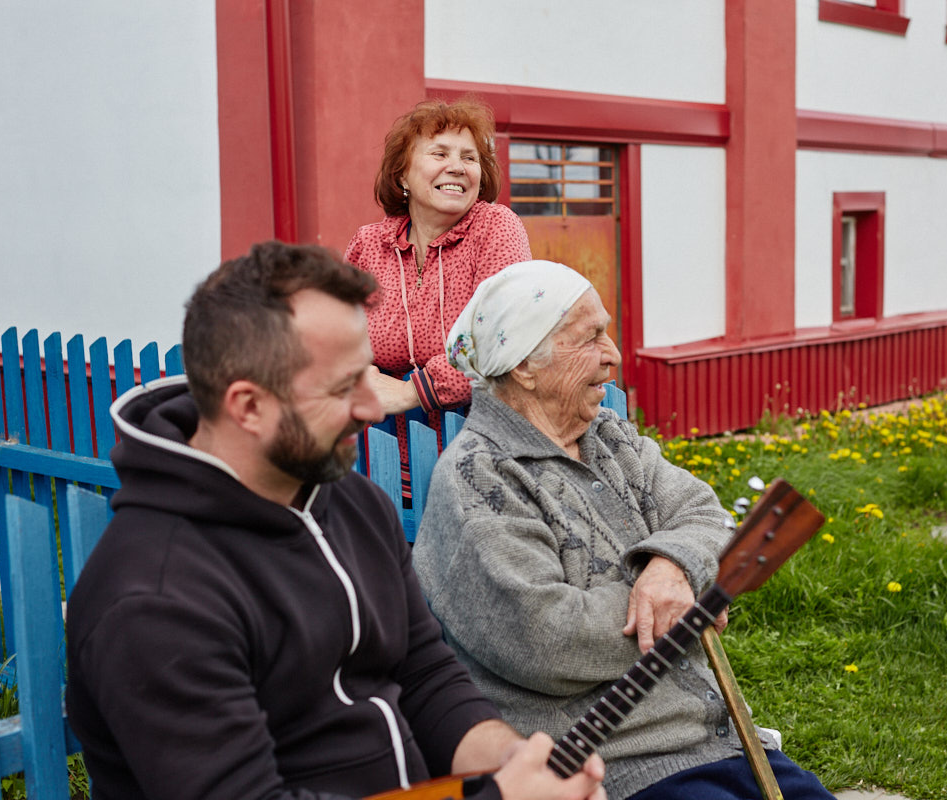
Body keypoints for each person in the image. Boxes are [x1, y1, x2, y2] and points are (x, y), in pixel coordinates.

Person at [65, 242, 604, 800]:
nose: (374, 408)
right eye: (343, 387)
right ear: (247, 406)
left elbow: (423, 675)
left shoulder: (353, 502)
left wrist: (513, 759)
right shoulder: (154, 598)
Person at [412, 261, 836, 800]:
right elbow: (546, 639)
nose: (612, 354)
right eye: (590, 338)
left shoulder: (609, 437)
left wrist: (671, 567)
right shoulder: (478, 477)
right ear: (524, 365)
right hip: (610, 766)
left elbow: (703, 513)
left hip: (723, 740)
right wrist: (681, 608)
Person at [344, 97, 531, 503]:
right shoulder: (369, 246)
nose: (457, 167)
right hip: (383, 461)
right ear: (403, 176)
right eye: (439, 153)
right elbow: (337, 338)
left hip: (487, 459)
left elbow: (501, 336)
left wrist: (414, 391)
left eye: (470, 157)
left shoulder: (496, 228)